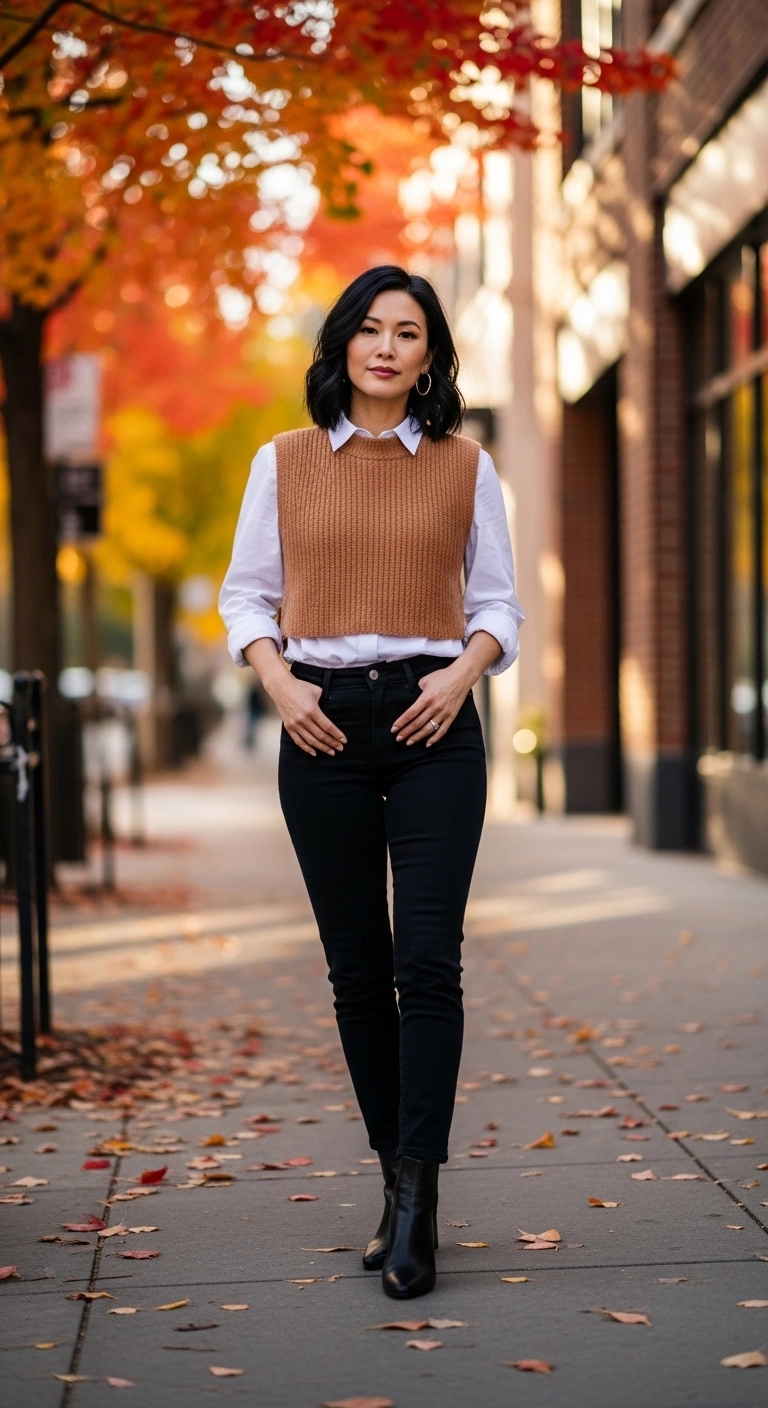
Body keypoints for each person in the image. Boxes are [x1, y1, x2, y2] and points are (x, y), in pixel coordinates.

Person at [220, 265, 523, 1299]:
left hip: (437, 719)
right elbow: (247, 596)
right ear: (343, 343)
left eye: (410, 332)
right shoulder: (286, 462)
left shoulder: (466, 465)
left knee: (428, 963)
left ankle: (419, 1204)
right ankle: (395, 1184)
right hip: (320, 726)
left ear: (431, 355)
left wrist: (461, 674)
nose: (388, 347)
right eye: (370, 329)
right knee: (358, 969)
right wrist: (279, 684)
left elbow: (500, 606)